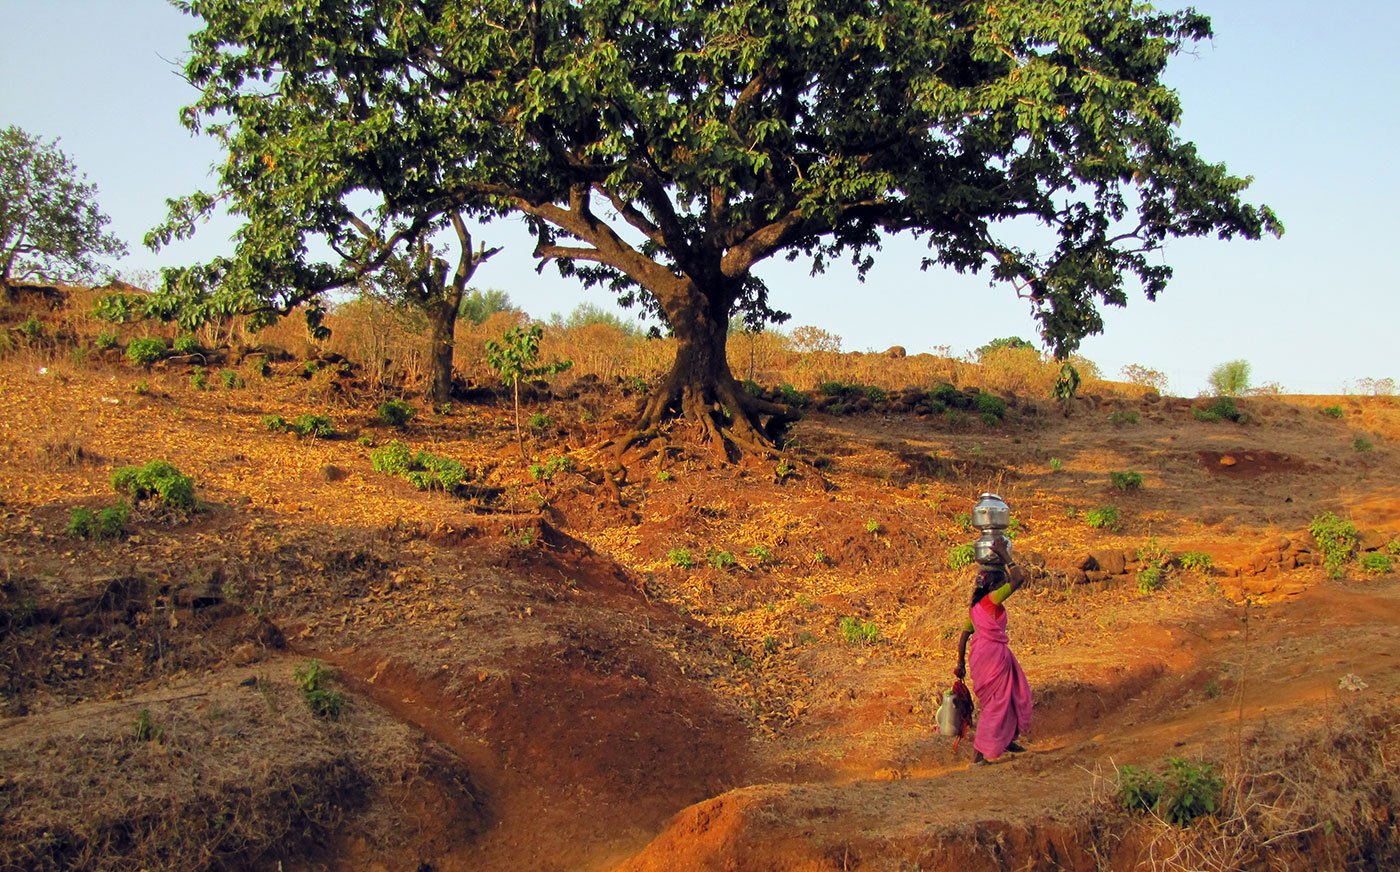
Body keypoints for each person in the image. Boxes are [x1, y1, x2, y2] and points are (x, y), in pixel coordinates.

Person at [953, 537, 1032, 765]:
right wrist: (1004, 554)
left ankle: (1006, 740)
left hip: (980, 658)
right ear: (995, 586)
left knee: (1004, 699)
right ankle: (978, 756)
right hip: (993, 657)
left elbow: (964, 636)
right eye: (1001, 584)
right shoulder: (993, 600)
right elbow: (1019, 578)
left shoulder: (976, 607)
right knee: (997, 704)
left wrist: (960, 664)